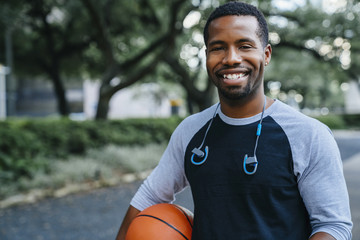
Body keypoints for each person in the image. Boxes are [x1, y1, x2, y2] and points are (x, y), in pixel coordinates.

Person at [116, 1, 352, 239]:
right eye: (218, 48)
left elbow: (333, 226)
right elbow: (149, 197)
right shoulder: (190, 131)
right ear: (207, 55)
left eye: (245, 46)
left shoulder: (308, 134)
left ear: (266, 54)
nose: (231, 58)